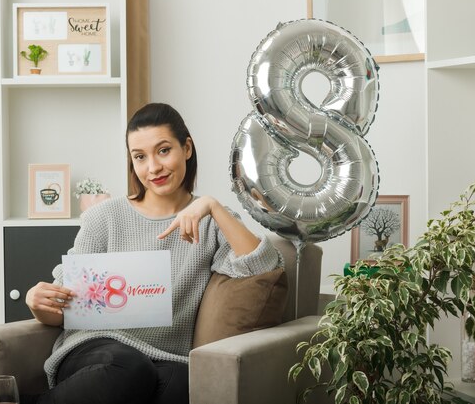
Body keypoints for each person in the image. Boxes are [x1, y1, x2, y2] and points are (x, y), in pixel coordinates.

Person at [24, 102, 283, 404]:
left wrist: (211, 206)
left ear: (186, 148)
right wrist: (37, 303)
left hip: (167, 359)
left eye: (163, 151)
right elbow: (64, 305)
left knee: (182, 387)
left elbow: (264, 268)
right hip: (95, 350)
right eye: (139, 157)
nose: (153, 168)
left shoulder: (210, 222)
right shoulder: (103, 218)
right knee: (130, 367)